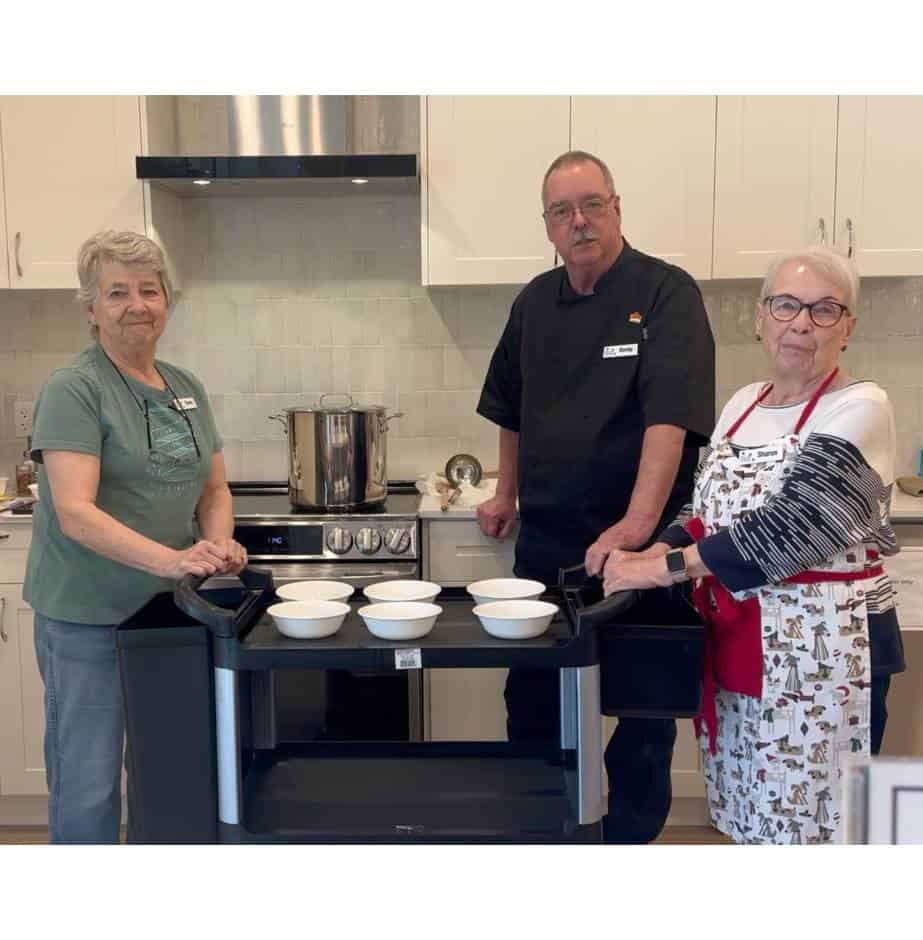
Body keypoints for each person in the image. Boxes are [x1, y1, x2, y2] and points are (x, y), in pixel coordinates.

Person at [602, 246, 904, 844]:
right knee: (747, 811)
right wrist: (650, 548)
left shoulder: (861, 406)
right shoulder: (744, 403)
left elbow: (790, 528)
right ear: (761, 316)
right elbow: (706, 510)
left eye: (823, 310)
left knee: (818, 830)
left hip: (828, 656)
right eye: (787, 305)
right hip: (742, 644)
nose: (800, 323)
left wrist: (659, 569)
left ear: (848, 326)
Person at [476, 150, 716, 843]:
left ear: (616, 209)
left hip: (643, 553)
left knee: (640, 711)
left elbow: (668, 419)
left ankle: (628, 846)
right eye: (561, 211)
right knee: (532, 702)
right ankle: (543, 837)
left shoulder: (666, 291)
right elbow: (509, 410)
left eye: (591, 205)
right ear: (547, 227)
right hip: (548, 545)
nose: (578, 222)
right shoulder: (532, 303)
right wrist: (505, 493)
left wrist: (635, 529)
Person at [24, 230, 248, 844]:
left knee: (164, 774)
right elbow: (75, 511)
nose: (136, 304)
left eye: (149, 290)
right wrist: (176, 559)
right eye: (117, 292)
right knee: (89, 780)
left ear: (167, 302)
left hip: (167, 617)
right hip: (87, 618)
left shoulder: (184, 386)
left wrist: (217, 549)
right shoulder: (76, 387)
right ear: (90, 308)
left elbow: (214, 492)